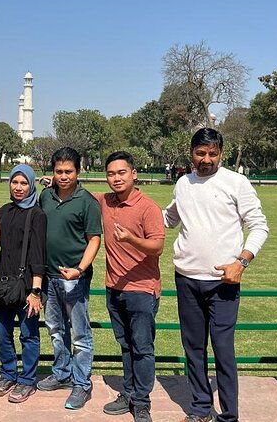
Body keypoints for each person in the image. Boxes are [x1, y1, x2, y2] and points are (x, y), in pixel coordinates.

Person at [162, 128, 269, 422]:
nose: (206, 159)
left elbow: (259, 225)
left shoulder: (236, 182)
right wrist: (129, 211)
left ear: (221, 153)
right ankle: (200, 409)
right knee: (193, 348)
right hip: (187, 278)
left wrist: (241, 262)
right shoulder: (183, 183)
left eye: (212, 153)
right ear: (191, 153)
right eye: (200, 153)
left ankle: (229, 416)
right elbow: (169, 218)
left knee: (223, 350)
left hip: (224, 282)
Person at [97, 151, 165, 422]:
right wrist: (54, 181)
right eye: (111, 174)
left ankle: (142, 402)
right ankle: (128, 393)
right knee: (125, 345)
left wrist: (131, 239)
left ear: (134, 174)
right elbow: (77, 192)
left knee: (142, 348)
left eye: (121, 173)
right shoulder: (105, 201)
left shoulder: (148, 207)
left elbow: (157, 247)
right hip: (114, 287)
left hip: (142, 289)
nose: (116, 178)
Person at [37, 147, 102, 410]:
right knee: (55, 329)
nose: (64, 176)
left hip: (74, 277)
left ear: (78, 171)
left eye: (69, 171)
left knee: (80, 333)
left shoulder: (87, 201)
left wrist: (80, 269)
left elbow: (94, 239)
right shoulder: (46, 196)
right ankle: (62, 372)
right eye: (59, 171)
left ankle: (82, 382)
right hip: (49, 275)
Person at [0, 164, 47, 403]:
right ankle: (8, 373)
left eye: (24, 183)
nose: (19, 187)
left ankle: (27, 380)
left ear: (31, 185)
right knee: (0, 331)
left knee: (28, 334)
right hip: (4, 282)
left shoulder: (37, 214)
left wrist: (36, 291)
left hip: (27, 285)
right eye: (15, 182)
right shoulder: (3, 212)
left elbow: (39, 255)